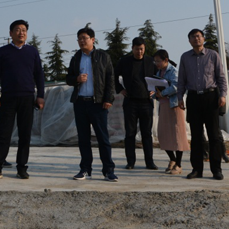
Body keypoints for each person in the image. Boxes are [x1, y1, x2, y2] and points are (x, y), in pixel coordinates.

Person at [0, 20, 45, 180]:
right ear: (11, 33)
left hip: (27, 98)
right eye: (17, 30)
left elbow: (39, 74)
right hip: (8, 98)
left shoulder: (32, 51)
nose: (21, 33)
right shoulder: (3, 52)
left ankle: (22, 168)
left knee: (25, 135)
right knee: (3, 134)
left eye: (24, 30)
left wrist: (40, 96)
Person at [65, 27, 118, 182]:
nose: (82, 41)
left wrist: (108, 99)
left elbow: (110, 79)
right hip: (80, 103)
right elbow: (68, 78)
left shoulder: (103, 57)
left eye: (84, 38)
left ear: (93, 39)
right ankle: (85, 169)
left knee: (103, 138)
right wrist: (76, 79)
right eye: (79, 38)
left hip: (98, 104)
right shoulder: (76, 58)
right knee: (83, 139)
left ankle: (108, 171)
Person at [177, 28, 228, 180]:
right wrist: (180, 97)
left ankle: (216, 170)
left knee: (214, 135)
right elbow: (181, 80)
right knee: (196, 136)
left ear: (203, 38)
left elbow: (221, 77)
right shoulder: (185, 57)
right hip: (193, 98)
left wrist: (223, 95)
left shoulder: (213, 55)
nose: (196, 39)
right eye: (193, 37)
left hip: (211, 97)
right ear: (189, 41)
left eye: (198, 36)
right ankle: (196, 169)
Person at [114, 37, 157, 170]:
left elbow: (160, 76)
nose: (139, 52)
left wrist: (156, 89)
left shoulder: (151, 61)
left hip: (146, 102)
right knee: (130, 133)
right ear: (132, 48)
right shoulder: (124, 61)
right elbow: (113, 76)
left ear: (145, 49)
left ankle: (149, 162)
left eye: (142, 49)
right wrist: (120, 89)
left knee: (147, 134)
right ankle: (130, 162)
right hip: (130, 102)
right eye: (137, 49)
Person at [153, 49, 188, 175]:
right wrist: (154, 93)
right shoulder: (159, 72)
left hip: (174, 106)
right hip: (163, 106)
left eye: (158, 61)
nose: (156, 63)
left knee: (177, 135)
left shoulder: (173, 71)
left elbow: (176, 86)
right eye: (155, 61)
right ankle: (172, 159)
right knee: (163, 134)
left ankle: (179, 164)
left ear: (166, 60)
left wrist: (162, 93)